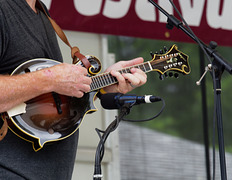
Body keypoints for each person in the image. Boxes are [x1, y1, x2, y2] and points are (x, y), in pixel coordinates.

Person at [0, 0, 147, 179]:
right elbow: (50, 82)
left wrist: (103, 85)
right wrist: (49, 79)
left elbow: (48, 98)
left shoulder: (41, 12)